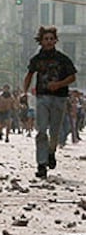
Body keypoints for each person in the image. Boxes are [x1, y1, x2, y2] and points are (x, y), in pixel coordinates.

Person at [23, 26, 76, 179]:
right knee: (41, 130)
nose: (49, 41)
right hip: (42, 97)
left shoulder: (63, 59)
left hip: (59, 97)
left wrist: (59, 84)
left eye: (51, 39)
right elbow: (29, 75)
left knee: (55, 131)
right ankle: (41, 164)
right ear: (41, 41)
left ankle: (51, 152)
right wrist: (24, 92)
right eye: (46, 39)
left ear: (55, 41)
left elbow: (72, 77)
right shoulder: (36, 59)